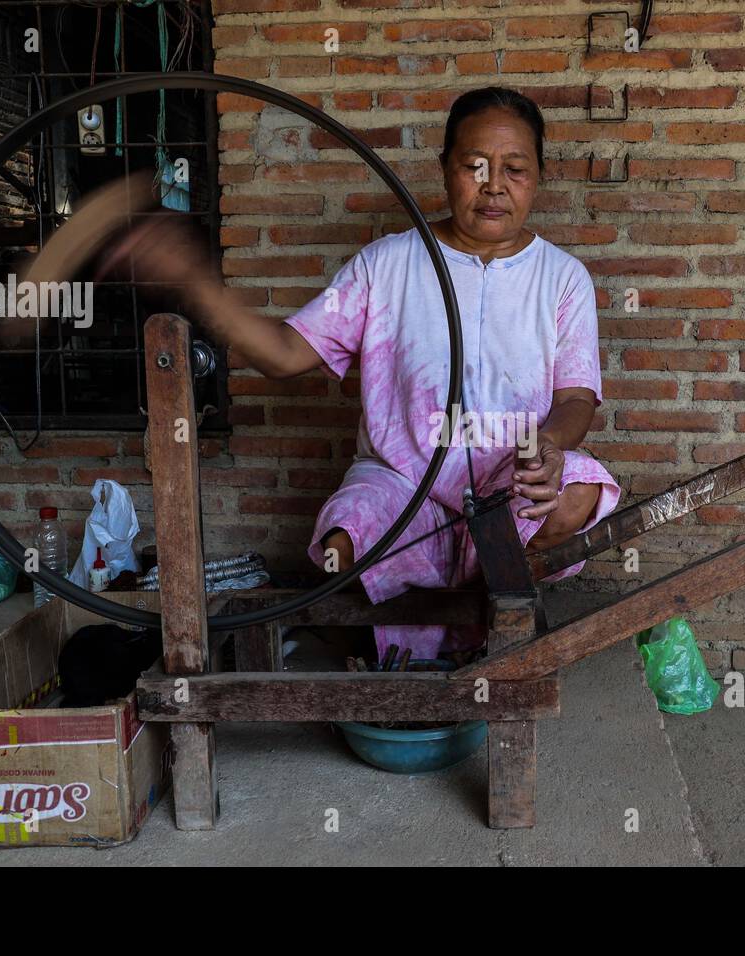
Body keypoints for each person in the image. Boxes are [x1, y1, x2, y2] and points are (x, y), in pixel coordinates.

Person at [106, 86, 621, 661]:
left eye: (515, 169)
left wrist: (547, 447)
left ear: (539, 177)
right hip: (402, 482)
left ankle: (484, 631)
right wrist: (194, 287)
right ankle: (422, 643)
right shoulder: (388, 263)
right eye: (474, 165)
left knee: (575, 495)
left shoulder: (562, 278)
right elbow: (282, 353)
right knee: (341, 545)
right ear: (445, 168)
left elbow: (577, 397)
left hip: (509, 477)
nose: (493, 184)